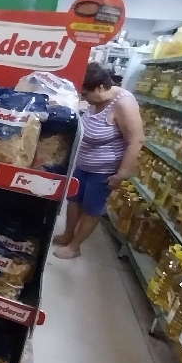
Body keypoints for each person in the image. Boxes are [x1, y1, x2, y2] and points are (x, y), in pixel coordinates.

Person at [53, 62, 144, 259]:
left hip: (104, 171)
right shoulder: (96, 101)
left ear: (100, 88)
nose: (83, 98)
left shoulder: (123, 104)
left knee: (91, 208)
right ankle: (68, 234)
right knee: (74, 200)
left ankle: (75, 247)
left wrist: (122, 174)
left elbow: (136, 140)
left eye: (85, 94)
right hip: (83, 164)